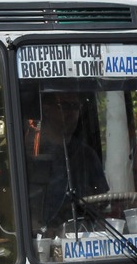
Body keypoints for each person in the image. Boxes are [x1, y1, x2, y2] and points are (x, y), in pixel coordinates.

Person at [24, 91, 108, 229]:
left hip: (83, 235)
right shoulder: (31, 152)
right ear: (46, 109)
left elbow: (101, 202)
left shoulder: (87, 155)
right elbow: (13, 206)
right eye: (65, 106)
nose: (72, 113)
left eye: (76, 107)